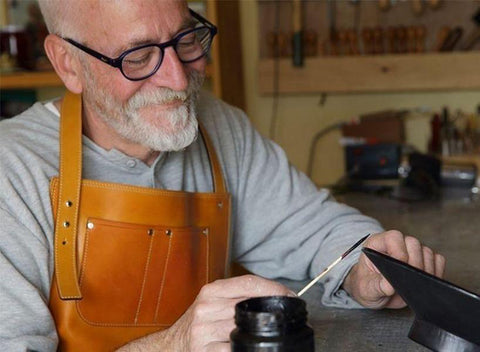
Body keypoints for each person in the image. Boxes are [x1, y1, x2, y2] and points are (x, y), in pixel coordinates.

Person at [0, 0, 445, 351]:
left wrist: (365, 267)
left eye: (186, 38)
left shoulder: (219, 127)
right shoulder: (13, 170)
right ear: (67, 63)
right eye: (137, 57)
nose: (177, 79)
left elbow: (315, 229)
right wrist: (170, 347)